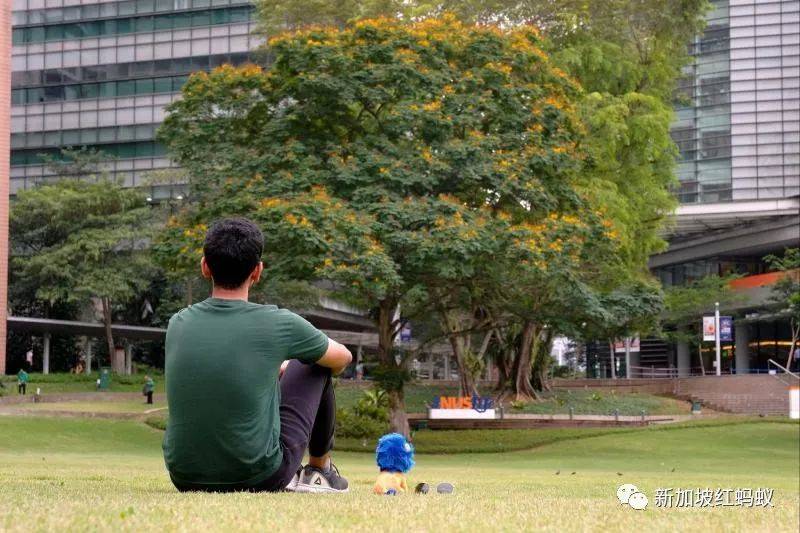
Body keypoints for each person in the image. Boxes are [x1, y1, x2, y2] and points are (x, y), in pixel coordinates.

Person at [163, 218, 352, 493]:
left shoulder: (178, 323)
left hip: (184, 476)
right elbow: (342, 358)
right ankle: (319, 470)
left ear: (205, 266)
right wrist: (289, 364)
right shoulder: (278, 323)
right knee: (316, 361)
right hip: (260, 475)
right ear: (257, 271)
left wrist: (269, 368)